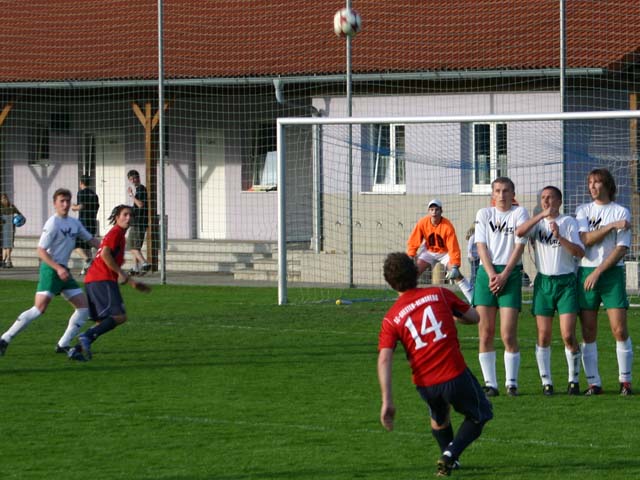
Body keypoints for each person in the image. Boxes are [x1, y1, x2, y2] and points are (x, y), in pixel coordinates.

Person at [377, 252, 493, 478]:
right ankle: (450, 455)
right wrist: (453, 316)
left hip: (425, 383)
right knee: (481, 413)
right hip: (454, 373)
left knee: (439, 418)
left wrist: (387, 400)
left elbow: (384, 358)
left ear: (390, 283)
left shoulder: (391, 318)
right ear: (416, 273)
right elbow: (475, 317)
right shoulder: (439, 293)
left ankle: (449, 461)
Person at [0, 188, 100, 356]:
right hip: (51, 269)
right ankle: (5, 339)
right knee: (39, 309)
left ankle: (63, 344)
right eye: (62, 201)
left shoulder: (74, 223)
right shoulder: (52, 223)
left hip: (63, 271)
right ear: (55, 203)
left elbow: (91, 240)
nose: (65, 204)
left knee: (84, 308)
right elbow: (40, 251)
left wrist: (107, 250)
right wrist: (58, 268)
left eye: (67, 201)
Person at [515, 186, 585, 395]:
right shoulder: (537, 224)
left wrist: (559, 236)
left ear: (559, 201)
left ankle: (573, 380)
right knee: (543, 335)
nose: (546, 201)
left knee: (568, 335)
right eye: (543, 198)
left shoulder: (568, 222)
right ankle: (546, 382)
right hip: (544, 283)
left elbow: (579, 252)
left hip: (566, 283)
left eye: (550, 197)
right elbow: (520, 232)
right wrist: (540, 216)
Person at [575, 168, 633, 396]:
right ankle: (594, 383)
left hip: (611, 274)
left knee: (619, 329)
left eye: (597, 182)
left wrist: (599, 271)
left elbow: (621, 248)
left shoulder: (621, 211)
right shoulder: (583, 210)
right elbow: (586, 239)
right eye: (590, 182)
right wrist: (610, 226)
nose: (592, 186)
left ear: (607, 185)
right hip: (586, 272)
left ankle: (625, 382)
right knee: (588, 330)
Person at [68, 204, 151, 362]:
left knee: (102, 322)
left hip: (94, 280)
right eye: (125, 214)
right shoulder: (116, 233)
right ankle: (86, 336)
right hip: (101, 279)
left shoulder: (118, 235)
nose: (128, 218)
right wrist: (121, 273)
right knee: (120, 316)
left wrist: (131, 282)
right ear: (117, 217)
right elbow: (105, 254)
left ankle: (76, 350)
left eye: (130, 215)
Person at [474, 177, 529, 397]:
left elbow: (519, 247)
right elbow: (481, 246)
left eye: (506, 191)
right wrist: (491, 275)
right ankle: (491, 384)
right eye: (497, 190)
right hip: (486, 274)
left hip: (510, 273)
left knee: (507, 334)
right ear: (492, 194)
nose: (502, 195)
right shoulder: (484, 214)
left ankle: (511, 383)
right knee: (485, 332)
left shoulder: (520, 213)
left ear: (513, 194)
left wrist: (504, 275)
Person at [407, 199, 474, 303]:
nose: (434, 212)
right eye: (431, 209)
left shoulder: (447, 226)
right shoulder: (422, 223)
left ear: (441, 211)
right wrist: (411, 255)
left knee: (456, 275)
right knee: (413, 273)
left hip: (445, 253)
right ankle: (408, 300)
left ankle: (473, 300)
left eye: (436, 209)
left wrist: (455, 265)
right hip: (429, 251)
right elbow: (414, 240)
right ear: (428, 211)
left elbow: (453, 247)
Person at [71, 175, 100, 275]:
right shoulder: (94, 195)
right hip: (92, 223)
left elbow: (81, 206)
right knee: (87, 247)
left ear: (81, 183)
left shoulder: (81, 193)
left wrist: (73, 207)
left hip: (83, 223)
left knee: (75, 244)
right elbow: (96, 208)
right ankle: (88, 269)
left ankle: (88, 260)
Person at [126, 169, 151, 275]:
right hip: (138, 222)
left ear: (138, 178)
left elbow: (140, 204)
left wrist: (131, 195)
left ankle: (144, 263)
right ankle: (135, 268)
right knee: (136, 247)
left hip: (139, 223)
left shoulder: (141, 189)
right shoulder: (139, 189)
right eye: (130, 179)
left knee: (131, 246)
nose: (133, 181)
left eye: (134, 178)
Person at [0, 193, 23, 268]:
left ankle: (6, 260)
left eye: (5, 198)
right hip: (3, 228)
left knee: (9, 245)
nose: (4, 200)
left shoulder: (11, 206)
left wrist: (18, 220)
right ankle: (7, 260)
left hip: (10, 228)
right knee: (5, 245)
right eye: (3, 198)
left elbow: (20, 214)